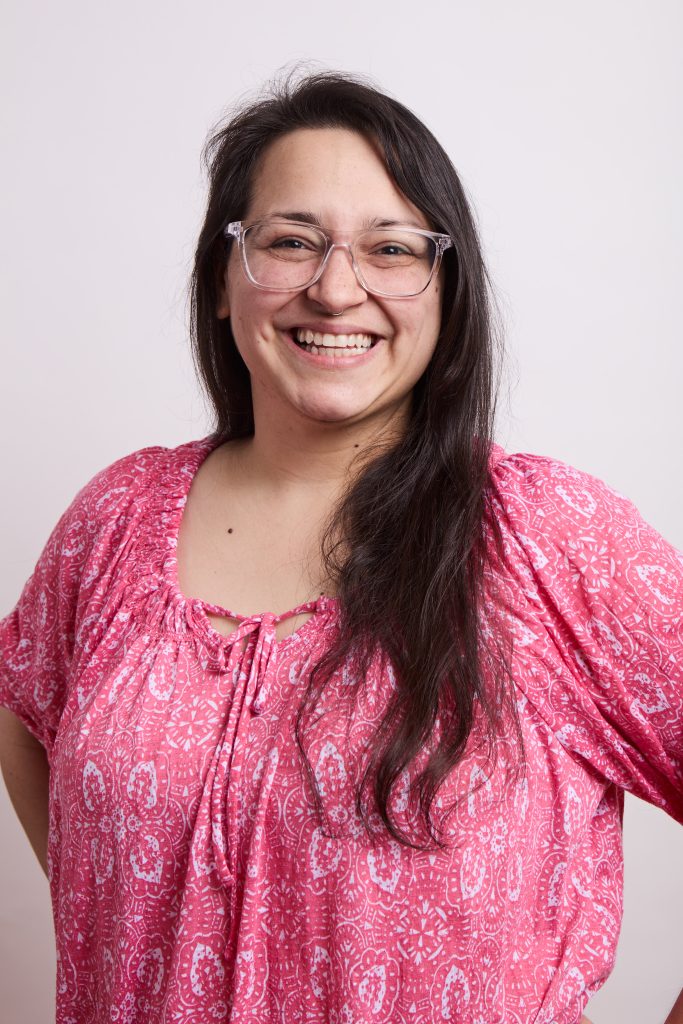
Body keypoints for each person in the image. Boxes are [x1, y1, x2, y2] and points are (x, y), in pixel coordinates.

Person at [0, 69, 681, 1024]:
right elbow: (25, 705)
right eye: (289, 242)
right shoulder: (118, 517)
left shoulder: (545, 538)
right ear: (222, 275)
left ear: (446, 289)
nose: (334, 289)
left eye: (390, 249)